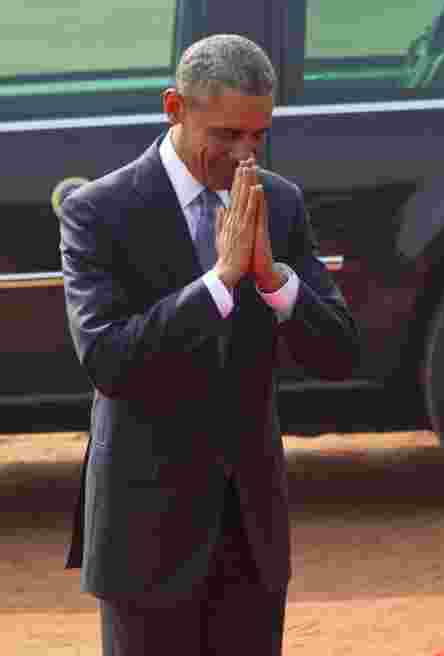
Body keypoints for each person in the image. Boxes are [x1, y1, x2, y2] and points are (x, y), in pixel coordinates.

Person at [60, 34, 360, 655]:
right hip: (145, 533)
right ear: (174, 107)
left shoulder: (278, 202)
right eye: (226, 135)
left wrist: (274, 281)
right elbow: (109, 360)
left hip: (249, 529)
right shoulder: (99, 212)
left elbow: (339, 354)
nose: (244, 154)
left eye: (258, 136)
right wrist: (220, 282)